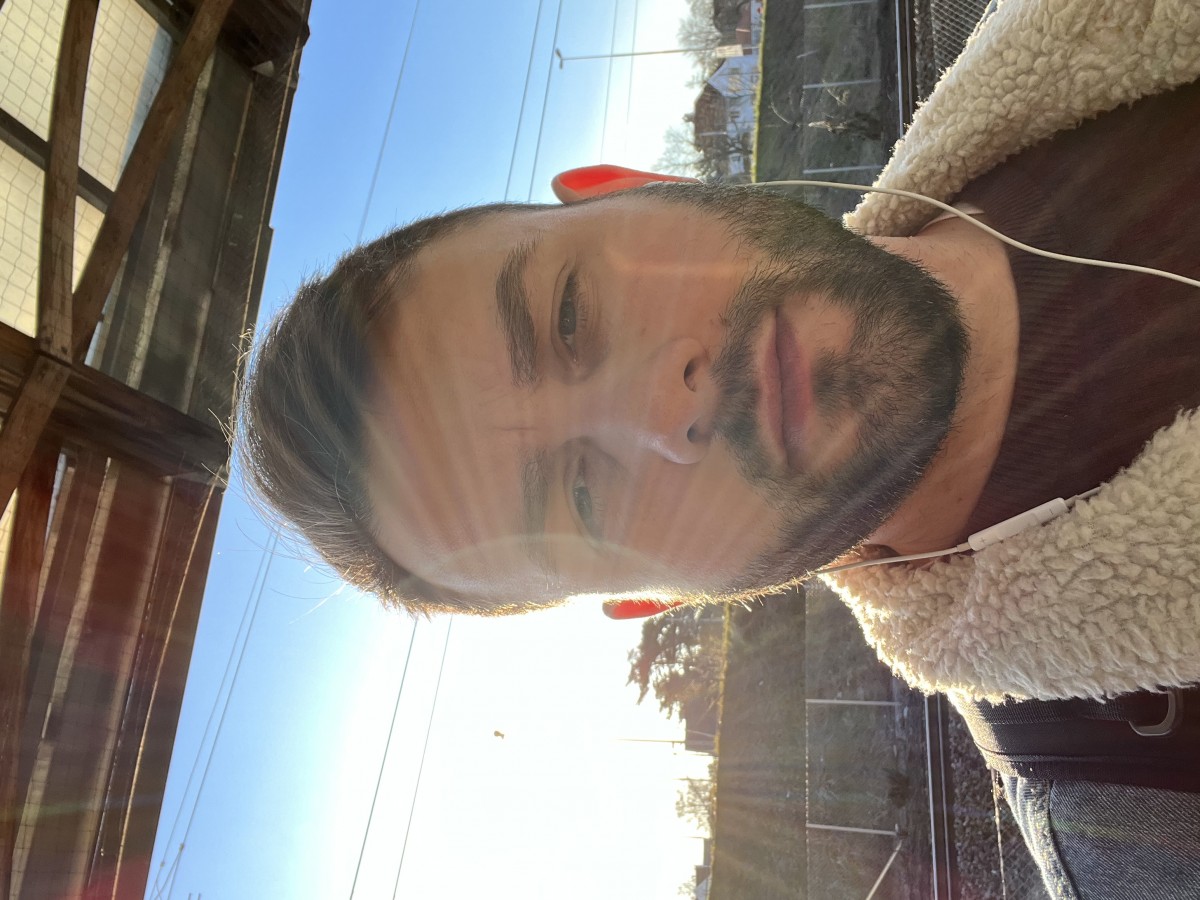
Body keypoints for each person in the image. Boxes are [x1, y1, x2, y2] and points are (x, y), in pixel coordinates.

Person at [238, 0, 1200, 895]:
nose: (667, 409)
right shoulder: (1147, 824)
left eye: (570, 315)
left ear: (642, 185)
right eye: (582, 498)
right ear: (658, 596)